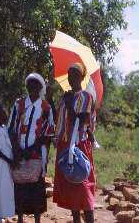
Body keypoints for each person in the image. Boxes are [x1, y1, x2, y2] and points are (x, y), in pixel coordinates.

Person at [7, 73, 55, 223]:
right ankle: (20, 218)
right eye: (30, 85)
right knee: (20, 186)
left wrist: (33, 149)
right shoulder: (18, 104)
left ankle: (37, 219)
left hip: (37, 153)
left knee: (36, 188)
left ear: (40, 88)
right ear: (27, 87)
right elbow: (11, 128)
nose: (32, 88)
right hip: (19, 152)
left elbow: (48, 133)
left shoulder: (46, 107)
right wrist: (18, 150)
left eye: (36, 85)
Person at [53, 63, 97, 223]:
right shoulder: (66, 97)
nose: (71, 78)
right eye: (69, 75)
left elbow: (82, 120)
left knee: (83, 185)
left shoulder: (86, 96)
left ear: (81, 77)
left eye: (75, 75)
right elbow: (61, 121)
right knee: (71, 187)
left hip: (79, 145)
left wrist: (71, 103)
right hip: (65, 145)